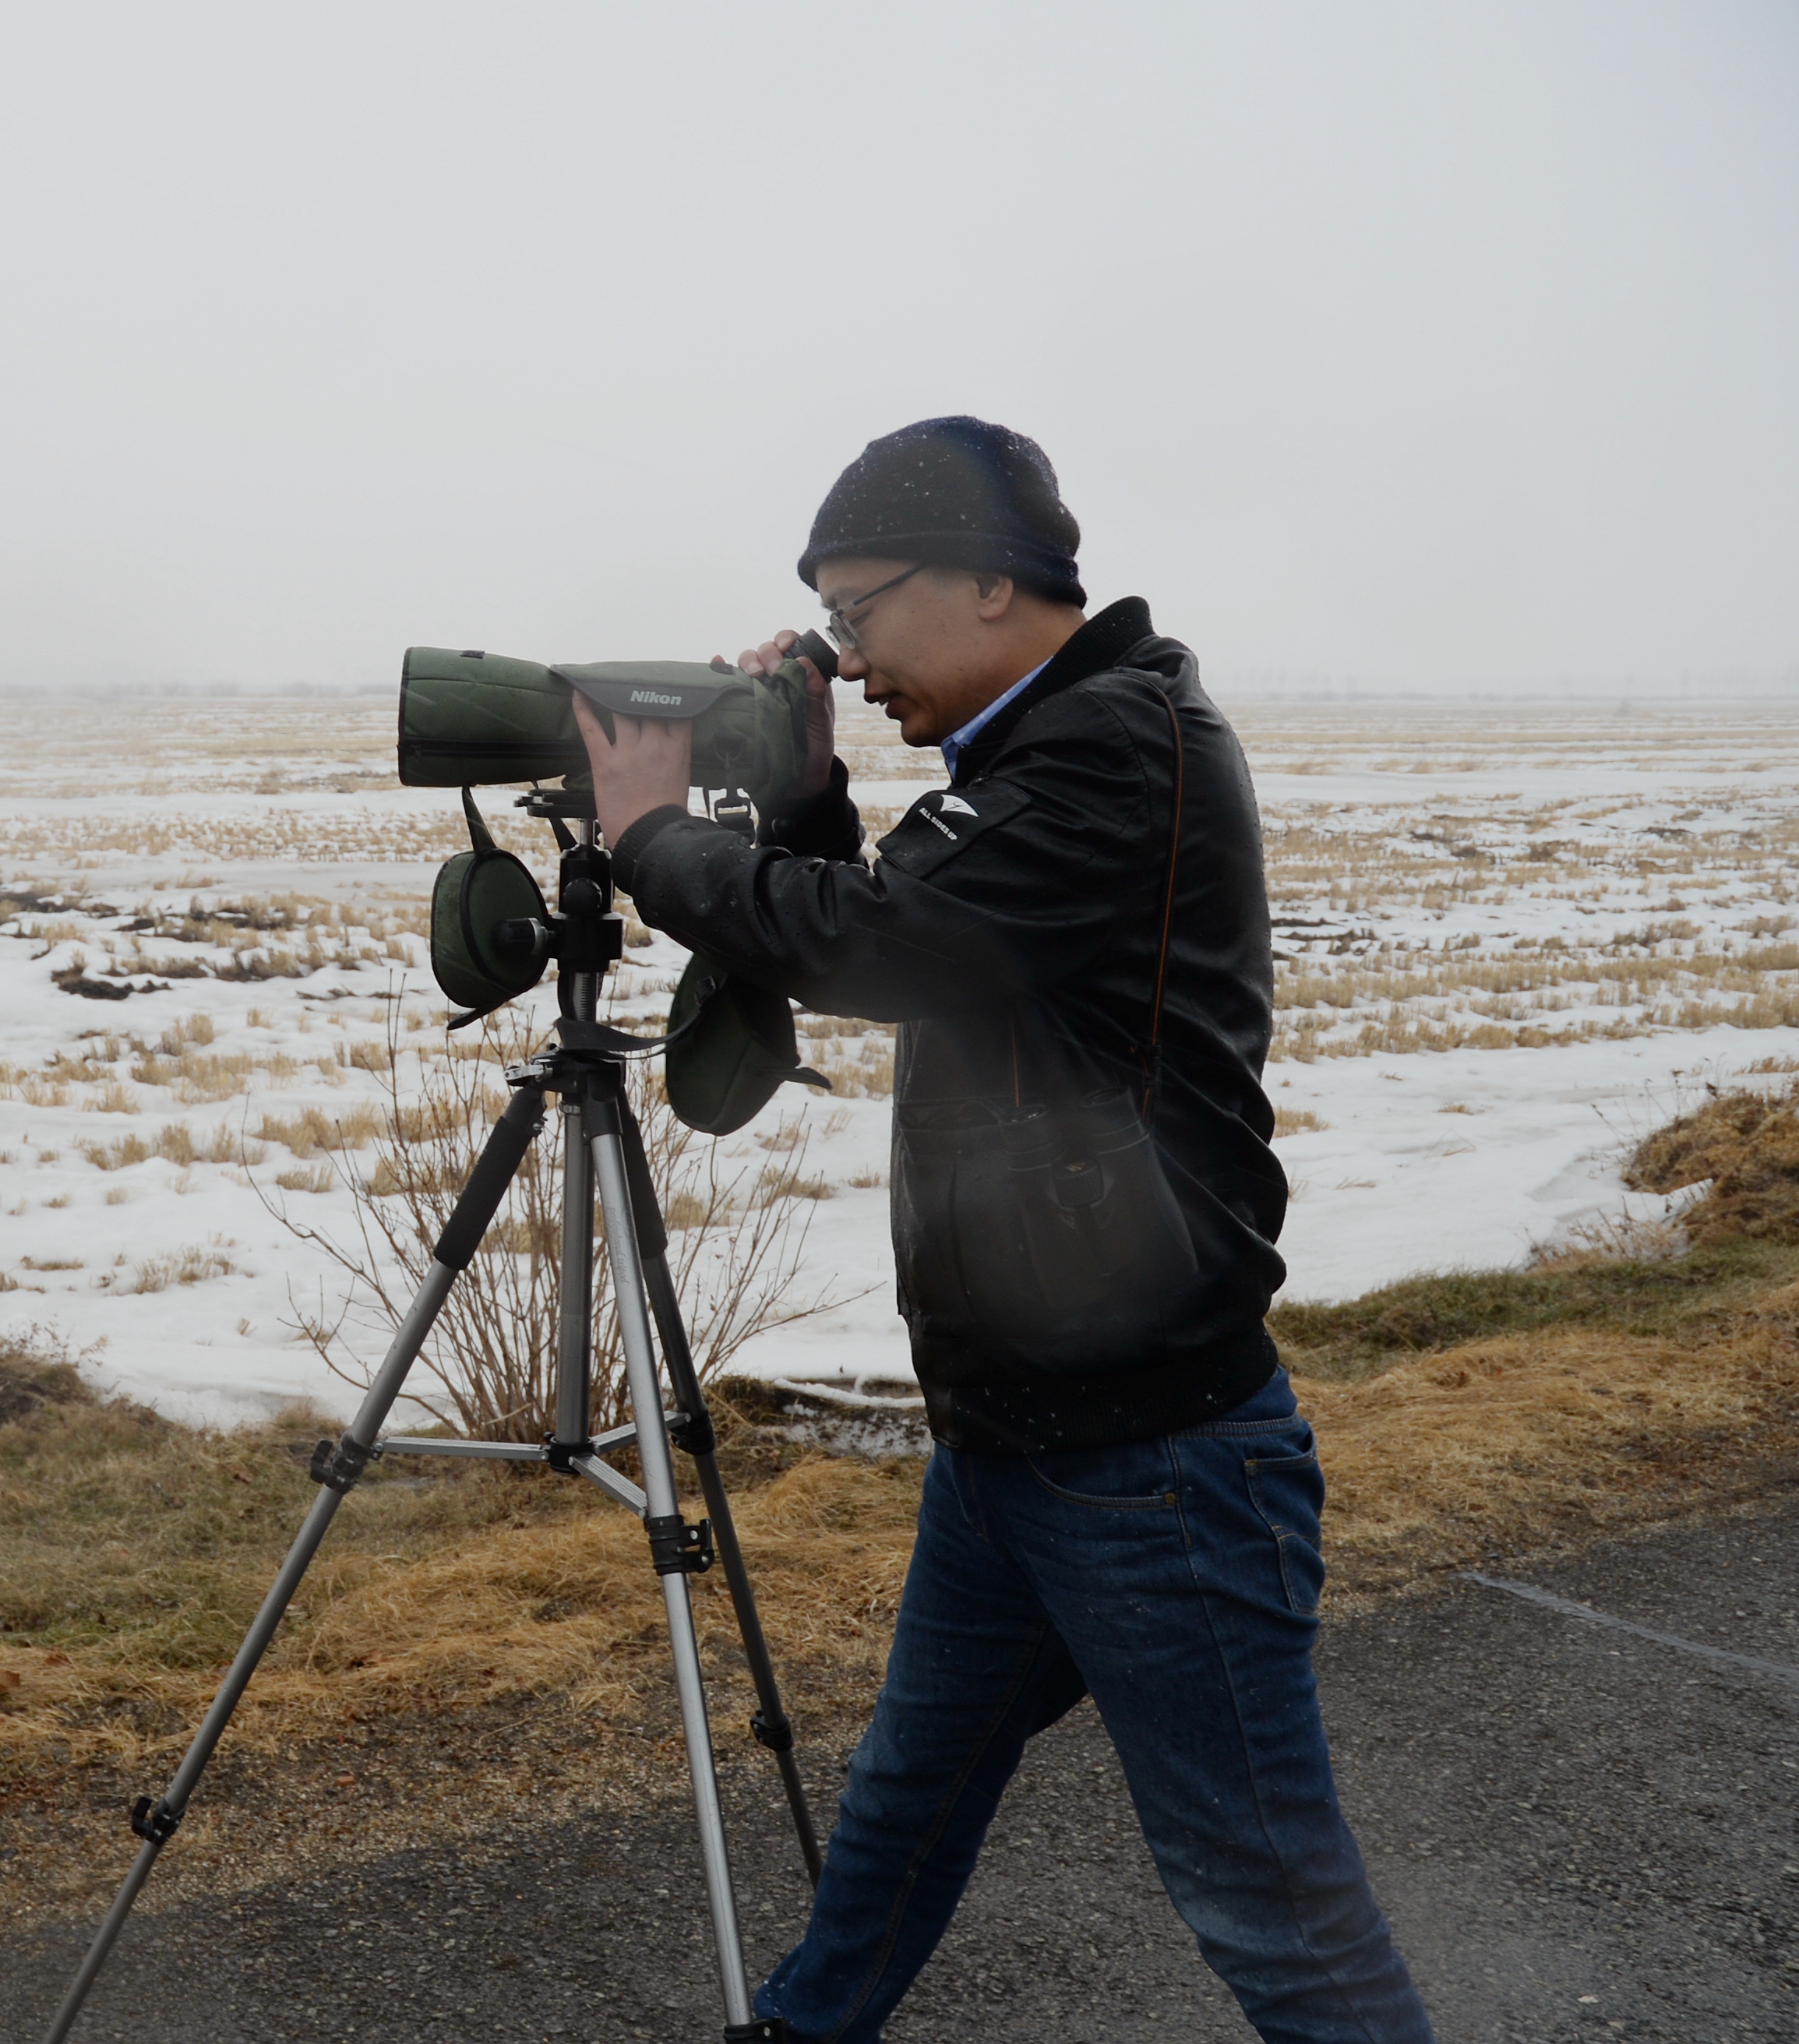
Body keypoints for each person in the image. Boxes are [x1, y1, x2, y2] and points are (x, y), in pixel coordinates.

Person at [567, 417, 1436, 2044]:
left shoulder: (1118, 747)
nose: (850, 653)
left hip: (1155, 1460)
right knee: (900, 1814)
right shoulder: (1049, 754)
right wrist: (812, 788)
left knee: (1273, 1906)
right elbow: (933, 941)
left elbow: (889, 940)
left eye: (859, 610)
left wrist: (648, 837)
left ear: (984, 581)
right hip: (1020, 1436)